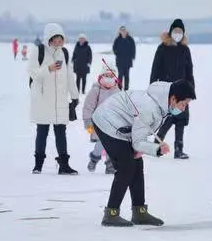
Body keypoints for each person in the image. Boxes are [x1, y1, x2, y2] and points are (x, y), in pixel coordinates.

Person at [92, 79, 196, 227]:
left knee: (136, 163)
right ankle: (111, 213)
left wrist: (140, 148)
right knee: (126, 166)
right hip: (107, 122)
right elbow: (137, 142)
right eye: (183, 104)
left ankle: (139, 212)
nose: (184, 109)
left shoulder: (161, 104)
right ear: (173, 98)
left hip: (123, 124)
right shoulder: (150, 107)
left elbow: (140, 135)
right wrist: (156, 149)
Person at [27, 23, 80, 175]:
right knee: (42, 132)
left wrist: (75, 96)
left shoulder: (64, 53)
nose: (58, 42)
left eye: (60, 39)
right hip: (43, 99)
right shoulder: (39, 51)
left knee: (61, 132)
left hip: (60, 100)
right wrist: (48, 69)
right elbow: (32, 73)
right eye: (55, 39)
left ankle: (64, 165)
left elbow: (70, 76)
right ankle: (38, 165)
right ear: (48, 39)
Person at [149, 18, 196, 159]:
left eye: (180, 31)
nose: (177, 34)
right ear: (171, 32)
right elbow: (155, 69)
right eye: (175, 31)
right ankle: (158, 141)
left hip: (182, 88)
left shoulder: (185, 50)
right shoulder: (163, 48)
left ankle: (178, 149)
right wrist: (152, 87)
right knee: (168, 117)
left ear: (183, 33)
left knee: (181, 119)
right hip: (166, 89)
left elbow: (189, 71)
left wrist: (191, 91)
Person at [82, 63, 121, 174]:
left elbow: (122, 109)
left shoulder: (118, 92)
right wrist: (88, 122)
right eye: (106, 76)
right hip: (98, 124)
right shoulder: (96, 91)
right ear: (101, 77)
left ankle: (110, 166)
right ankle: (94, 158)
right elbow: (88, 107)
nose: (109, 78)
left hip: (113, 125)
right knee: (101, 144)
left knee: (112, 146)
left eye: (111, 76)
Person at [112, 26, 136, 90]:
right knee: (120, 75)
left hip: (128, 61)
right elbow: (114, 48)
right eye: (122, 30)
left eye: (124, 30)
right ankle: (119, 88)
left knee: (127, 76)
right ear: (120, 31)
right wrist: (117, 53)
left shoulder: (130, 39)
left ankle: (126, 89)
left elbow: (133, 49)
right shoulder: (117, 39)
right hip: (120, 61)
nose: (123, 32)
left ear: (126, 31)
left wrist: (132, 57)